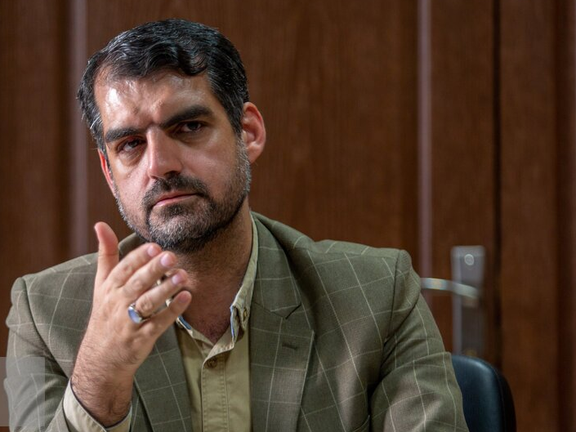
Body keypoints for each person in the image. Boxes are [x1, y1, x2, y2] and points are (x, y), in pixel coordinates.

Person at [5, 19, 468, 432]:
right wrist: (99, 379)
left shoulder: (379, 295)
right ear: (109, 172)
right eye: (130, 144)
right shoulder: (40, 313)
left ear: (248, 133)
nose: (160, 165)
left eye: (188, 127)